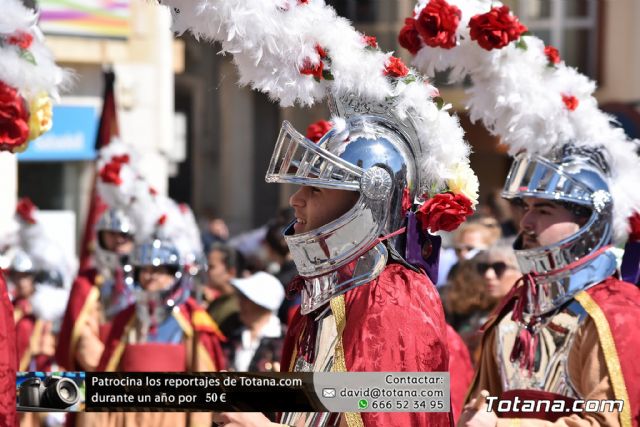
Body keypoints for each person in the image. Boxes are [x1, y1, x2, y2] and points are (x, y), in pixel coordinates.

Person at [397, 2, 640, 425]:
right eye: (525, 208)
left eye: (544, 210)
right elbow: (474, 400)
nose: (526, 223)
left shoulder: (616, 310)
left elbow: (612, 418)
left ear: (592, 218)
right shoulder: (516, 306)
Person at [87, 237, 226, 427]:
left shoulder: (192, 318)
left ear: (174, 274)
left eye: (159, 270)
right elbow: (106, 375)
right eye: (145, 269)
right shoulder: (126, 318)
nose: (150, 276)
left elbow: (205, 382)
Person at [223, 271, 285, 372]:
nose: (240, 303)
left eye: (246, 299)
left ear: (262, 306)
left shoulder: (283, 341)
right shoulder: (233, 333)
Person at [205, 241, 245, 337]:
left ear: (230, 272)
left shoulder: (240, 307)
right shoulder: (217, 302)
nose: (207, 271)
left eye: (211, 267)